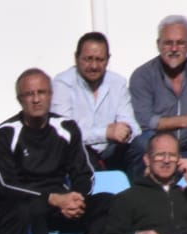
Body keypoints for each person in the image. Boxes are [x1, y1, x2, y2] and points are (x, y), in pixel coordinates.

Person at [0, 68, 107, 234]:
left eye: (41, 93)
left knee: (108, 203)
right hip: (25, 203)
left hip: (62, 204)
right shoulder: (4, 134)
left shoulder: (66, 127)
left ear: (50, 95)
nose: (36, 99)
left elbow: (83, 173)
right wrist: (51, 199)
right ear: (20, 99)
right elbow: (6, 185)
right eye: (29, 94)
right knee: (30, 211)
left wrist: (75, 199)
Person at [128, 15, 187, 176]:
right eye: (168, 43)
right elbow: (145, 122)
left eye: (180, 43)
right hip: (157, 147)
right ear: (158, 45)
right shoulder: (142, 75)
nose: (174, 49)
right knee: (141, 142)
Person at [52, 32, 140, 172]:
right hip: (78, 153)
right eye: (88, 59)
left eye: (100, 60)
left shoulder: (118, 83)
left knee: (141, 145)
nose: (94, 66)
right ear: (76, 58)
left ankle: (139, 191)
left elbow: (133, 126)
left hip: (110, 150)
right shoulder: (62, 83)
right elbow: (64, 133)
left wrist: (125, 131)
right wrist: (105, 132)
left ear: (108, 60)